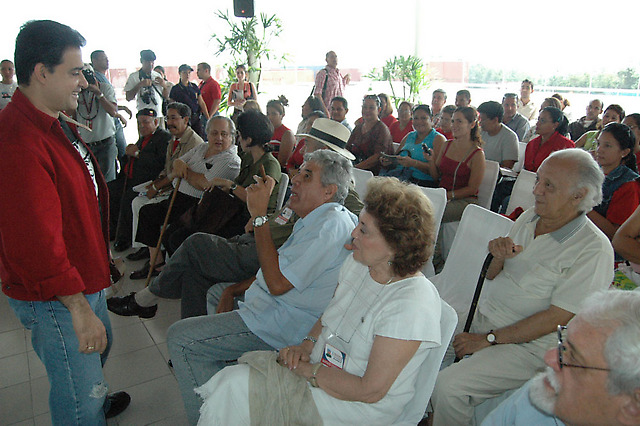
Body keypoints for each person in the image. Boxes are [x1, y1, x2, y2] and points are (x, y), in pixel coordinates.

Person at [195, 177, 443, 425]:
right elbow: (330, 314)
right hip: (324, 372)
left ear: (395, 245)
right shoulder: (358, 265)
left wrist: (310, 372)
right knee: (232, 382)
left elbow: (370, 390)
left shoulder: (411, 302)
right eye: (358, 224)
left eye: (364, 230)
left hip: (357, 405)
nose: (353, 233)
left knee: (235, 390)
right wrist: (306, 345)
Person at [0, 19, 131, 424]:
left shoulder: (53, 121)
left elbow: (77, 202)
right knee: (79, 398)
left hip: (82, 274)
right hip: (56, 294)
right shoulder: (19, 141)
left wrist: (101, 256)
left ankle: (94, 395)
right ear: (42, 72)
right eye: (75, 72)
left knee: (99, 350)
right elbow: (35, 242)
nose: (83, 82)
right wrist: (76, 306)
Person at [167, 149, 358, 423]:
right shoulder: (317, 220)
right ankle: (223, 401)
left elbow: (277, 284)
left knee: (180, 339)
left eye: (307, 176)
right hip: (272, 309)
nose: (295, 179)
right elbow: (280, 271)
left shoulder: (330, 224)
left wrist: (259, 217)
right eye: (299, 172)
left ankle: (212, 415)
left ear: (328, 191)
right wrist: (235, 289)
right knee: (216, 292)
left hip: (281, 325)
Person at [107, 118, 361, 321]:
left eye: (308, 144)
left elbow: (363, 216)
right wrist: (262, 220)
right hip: (254, 236)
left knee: (196, 243)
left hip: (267, 253)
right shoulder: (304, 179)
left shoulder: (339, 193)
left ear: (326, 152)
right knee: (194, 268)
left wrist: (356, 237)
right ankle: (193, 334)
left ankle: (145, 299)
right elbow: (282, 215)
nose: (302, 150)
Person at [430, 149, 614, 426]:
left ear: (579, 195)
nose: (536, 190)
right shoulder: (531, 217)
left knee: (448, 387)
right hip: (484, 318)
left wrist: (488, 339)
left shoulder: (593, 249)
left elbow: (556, 319)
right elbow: (492, 275)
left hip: (530, 347)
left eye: (549, 185)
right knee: (421, 338)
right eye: (538, 180)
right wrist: (498, 255)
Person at [481, 289, 640, 426]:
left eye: (574, 358)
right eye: (564, 346)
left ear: (633, 408)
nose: (549, 358)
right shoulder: (544, 393)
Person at [130, 114, 241, 277]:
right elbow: (178, 162)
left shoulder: (230, 160)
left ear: (231, 136)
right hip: (177, 196)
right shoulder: (203, 147)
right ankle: (157, 263)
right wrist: (183, 169)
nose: (219, 138)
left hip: (198, 205)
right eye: (214, 133)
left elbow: (205, 184)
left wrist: (184, 172)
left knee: (171, 236)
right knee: (147, 213)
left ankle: (176, 270)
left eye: (224, 134)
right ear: (207, 133)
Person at [114, 102, 204, 253]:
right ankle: (144, 248)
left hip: (183, 192)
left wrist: (157, 187)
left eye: (174, 118)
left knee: (144, 207)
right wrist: (156, 182)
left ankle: (155, 253)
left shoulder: (193, 143)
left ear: (186, 120)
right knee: (136, 201)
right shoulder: (174, 139)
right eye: (168, 118)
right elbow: (167, 168)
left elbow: (178, 174)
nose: (169, 122)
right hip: (168, 186)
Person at [108, 108, 171, 252]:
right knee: (110, 190)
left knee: (128, 197)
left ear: (156, 122)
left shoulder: (163, 138)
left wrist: (137, 154)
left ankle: (125, 237)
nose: (141, 126)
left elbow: (159, 163)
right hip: (130, 177)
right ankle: (113, 229)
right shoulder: (143, 137)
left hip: (146, 181)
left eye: (145, 122)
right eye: (139, 123)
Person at [587, 122, 639, 259]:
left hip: (606, 254)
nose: (599, 150)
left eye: (607, 146)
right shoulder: (593, 172)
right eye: (598, 144)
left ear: (624, 152)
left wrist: (583, 206)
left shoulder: (628, 185)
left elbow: (615, 234)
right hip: (586, 241)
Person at [427, 106, 485, 223]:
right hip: (442, 195)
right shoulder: (447, 145)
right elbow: (436, 176)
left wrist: (448, 195)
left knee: (431, 213)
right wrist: (431, 161)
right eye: (453, 121)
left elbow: (472, 189)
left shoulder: (477, 154)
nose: (454, 125)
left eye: (459, 121)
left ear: (472, 125)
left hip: (464, 201)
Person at [380, 104, 446, 187]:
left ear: (431, 119)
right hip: (401, 178)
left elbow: (437, 174)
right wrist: (388, 162)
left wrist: (414, 163)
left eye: (423, 118)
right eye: (416, 118)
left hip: (422, 183)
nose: (419, 122)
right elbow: (396, 158)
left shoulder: (438, 139)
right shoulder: (409, 136)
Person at [76, 63, 119, 182]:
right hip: (87, 145)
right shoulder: (77, 91)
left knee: (109, 182)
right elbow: (70, 113)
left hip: (106, 143)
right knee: (91, 181)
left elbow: (113, 111)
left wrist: (99, 94)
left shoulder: (105, 88)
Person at [90, 50, 129, 163]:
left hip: (112, 118)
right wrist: (117, 114)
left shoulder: (103, 78)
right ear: (94, 61)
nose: (107, 61)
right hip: (108, 123)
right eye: (103, 58)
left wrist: (121, 108)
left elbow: (108, 102)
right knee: (121, 154)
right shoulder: (97, 79)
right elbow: (101, 103)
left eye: (107, 58)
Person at [346, 94, 394, 175]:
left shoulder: (382, 130)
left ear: (379, 110)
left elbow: (377, 157)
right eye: (364, 107)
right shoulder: (358, 128)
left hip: (374, 174)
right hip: (355, 169)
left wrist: (355, 168)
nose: (367, 110)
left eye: (371, 108)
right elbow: (348, 148)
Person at [124, 49, 170, 119]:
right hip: (143, 116)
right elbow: (128, 98)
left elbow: (166, 97)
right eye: (148, 62)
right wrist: (139, 85)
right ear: (141, 61)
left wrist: (164, 86)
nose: (150, 64)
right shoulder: (134, 77)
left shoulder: (157, 75)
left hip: (158, 115)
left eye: (152, 62)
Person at [169, 64, 209, 138]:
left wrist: (208, 117)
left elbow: (201, 102)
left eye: (189, 73)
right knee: (184, 137)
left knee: (199, 137)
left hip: (195, 117)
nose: (187, 75)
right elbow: (172, 105)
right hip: (183, 119)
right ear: (180, 73)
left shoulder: (194, 87)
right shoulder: (175, 89)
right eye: (184, 73)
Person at [477, 101, 519, 169]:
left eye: (483, 120)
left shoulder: (510, 137)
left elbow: (507, 166)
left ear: (495, 120)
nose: (480, 123)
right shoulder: (480, 132)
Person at [286, 109, 327, 175]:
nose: (310, 127)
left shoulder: (322, 146)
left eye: (314, 124)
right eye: (309, 123)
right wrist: (291, 171)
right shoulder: (302, 142)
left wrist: (299, 173)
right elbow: (290, 162)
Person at [266, 95, 296, 167]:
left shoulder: (287, 134)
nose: (270, 117)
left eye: (274, 114)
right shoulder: (265, 131)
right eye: (268, 114)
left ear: (282, 115)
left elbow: (282, 162)